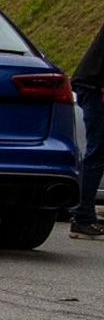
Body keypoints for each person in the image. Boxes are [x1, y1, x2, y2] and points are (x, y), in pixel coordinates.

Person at [69, 20, 104, 239]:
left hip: (91, 83)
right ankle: (82, 217)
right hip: (95, 87)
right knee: (98, 152)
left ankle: (85, 211)